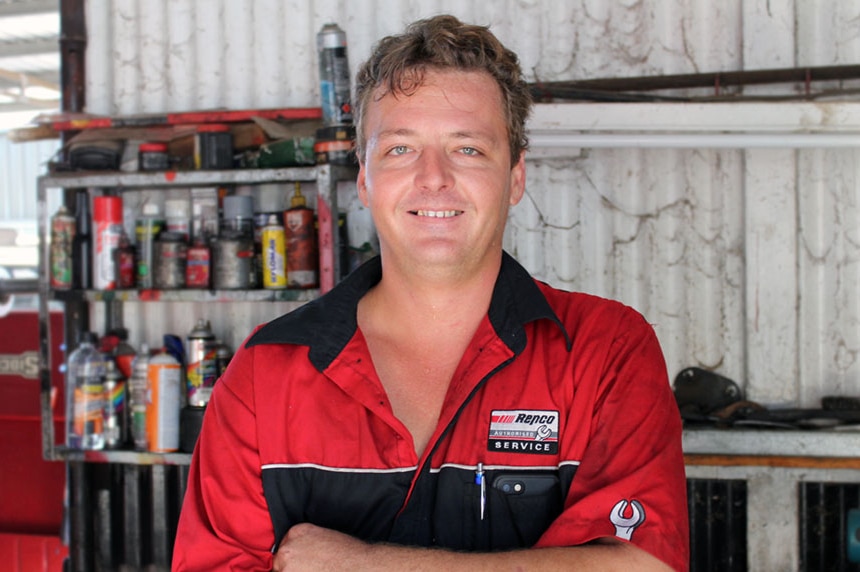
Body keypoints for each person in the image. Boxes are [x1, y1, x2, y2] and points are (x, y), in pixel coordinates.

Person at [172, 14, 689, 572]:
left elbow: (640, 565)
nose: (433, 177)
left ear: (515, 176)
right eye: (400, 149)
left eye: (467, 148)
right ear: (364, 178)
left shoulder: (604, 349)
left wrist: (359, 564)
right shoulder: (265, 373)